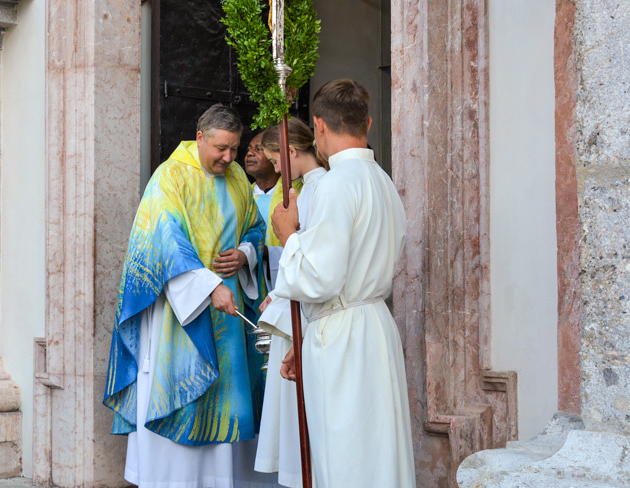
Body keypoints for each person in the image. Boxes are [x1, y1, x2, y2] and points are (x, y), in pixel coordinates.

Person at [104, 103, 273, 488]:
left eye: (234, 148)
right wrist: (208, 286)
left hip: (228, 311)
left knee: (224, 399)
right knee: (184, 391)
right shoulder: (170, 177)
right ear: (199, 138)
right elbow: (163, 240)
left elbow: (256, 227)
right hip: (180, 311)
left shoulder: (237, 178)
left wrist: (244, 253)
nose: (229, 157)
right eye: (221, 148)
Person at [271, 79, 414, 488]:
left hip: (343, 340)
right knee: (378, 456)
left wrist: (288, 235)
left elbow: (320, 278)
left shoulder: (336, 184)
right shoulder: (383, 181)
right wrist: (303, 340)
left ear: (318, 125)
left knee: (346, 457)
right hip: (373, 327)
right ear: (366, 122)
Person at [253, 118, 326, 487]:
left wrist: (284, 291)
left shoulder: (320, 189)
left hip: (308, 308)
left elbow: (311, 258)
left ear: (291, 151)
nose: (278, 170)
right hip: (293, 299)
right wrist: (278, 291)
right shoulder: (306, 189)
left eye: (276, 161)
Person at [244, 130, 279, 229]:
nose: (249, 153)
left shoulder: (292, 193)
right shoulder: (244, 195)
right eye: (249, 149)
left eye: (258, 149)